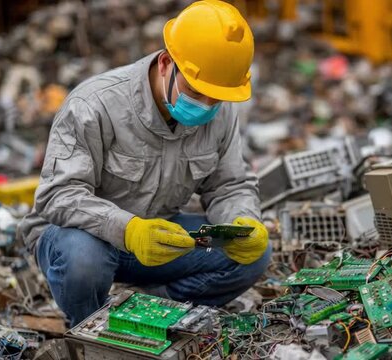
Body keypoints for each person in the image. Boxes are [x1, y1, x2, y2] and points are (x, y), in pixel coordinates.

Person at [17, 0, 270, 327]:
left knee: (252, 255)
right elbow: (58, 196)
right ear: (166, 63)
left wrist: (241, 222)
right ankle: (91, 328)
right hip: (87, 239)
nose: (207, 105)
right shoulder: (95, 105)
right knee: (83, 258)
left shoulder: (219, 111)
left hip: (159, 239)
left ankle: (152, 311)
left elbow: (229, 185)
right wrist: (129, 230)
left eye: (215, 96)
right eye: (196, 91)